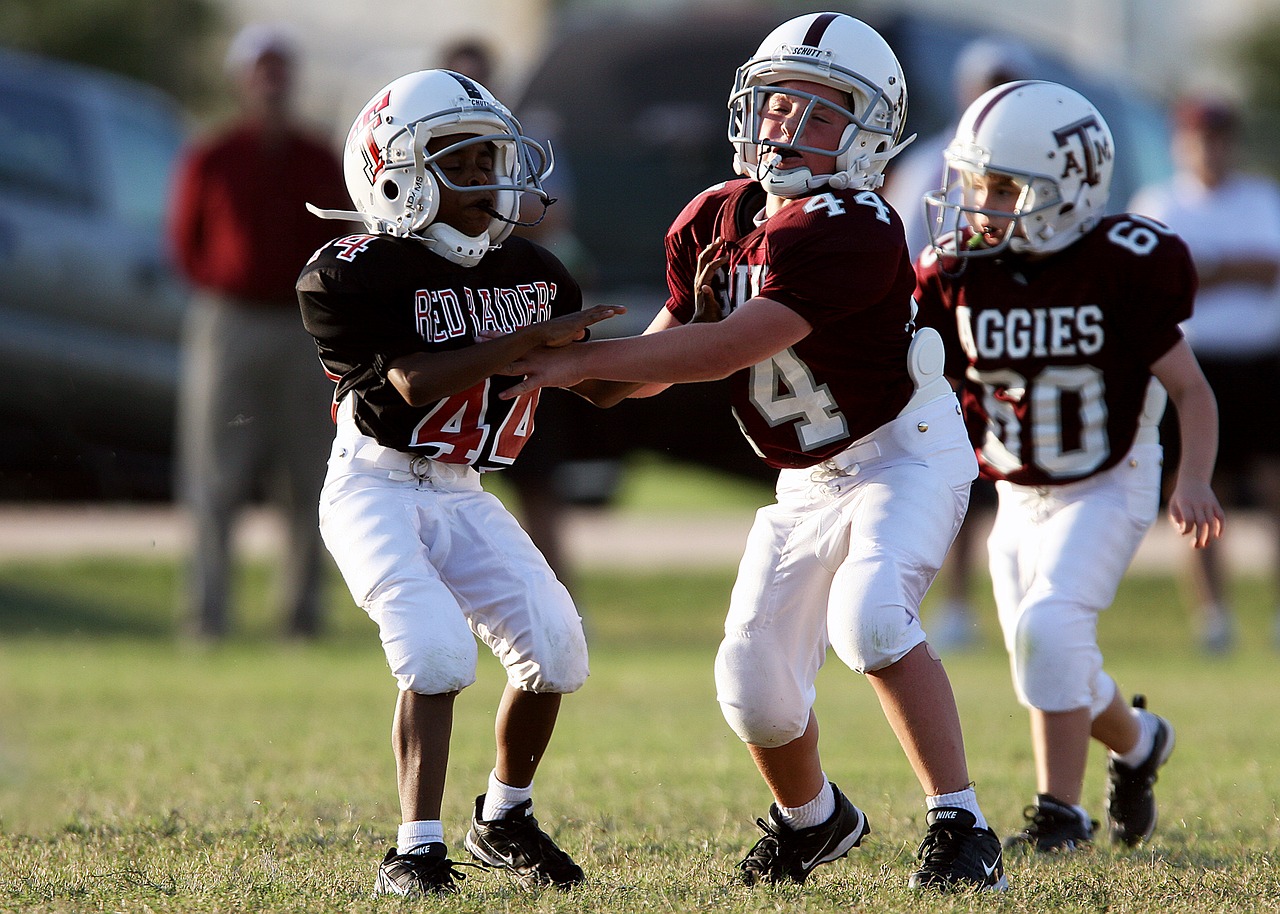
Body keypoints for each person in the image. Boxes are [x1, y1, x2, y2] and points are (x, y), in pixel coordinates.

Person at [500, 12, 1006, 893]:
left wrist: (576, 362)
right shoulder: (716, 218)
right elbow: (660, 362)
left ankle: (961, 825)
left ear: (869, 132)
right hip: (806, 476)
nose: (787, 128)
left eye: (820, 114)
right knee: (751, 685)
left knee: (873, 620)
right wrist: (538, 363)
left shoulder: (854, 223)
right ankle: (814, 822)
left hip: (903, 453)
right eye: (778, 105)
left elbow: (730, 348)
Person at [296, 69, 622, 896]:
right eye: (462, 163)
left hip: (460, 489)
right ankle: (413, 850)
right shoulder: (353, 271)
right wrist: (528, 340)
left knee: (555, 650)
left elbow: (597, 384)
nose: (488, 180)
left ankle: (505, 818)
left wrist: (694, 340)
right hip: (375, 487)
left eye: (492, 159)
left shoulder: (532, 271)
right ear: (393, 172)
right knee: (434, 651)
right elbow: (411, 383)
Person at [914, 80, 1224, 852]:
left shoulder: (1122, 262)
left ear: (1070, 190)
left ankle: (1062, 814)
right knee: (1044, 658)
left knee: (1051, 632)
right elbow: (919, 373)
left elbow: (1190, 387)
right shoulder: (964, 272)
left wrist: (1192, 479)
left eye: (1002, 186)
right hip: (1018, 491)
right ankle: (1140, 740)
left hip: (1109, 480)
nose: (977, 202)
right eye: (974, 181)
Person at [168, 23, 347, 640]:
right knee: (215, 472)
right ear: (243, 80)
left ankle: (302, 617)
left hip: (303, 328)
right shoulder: (213, 156)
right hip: (231, 321)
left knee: (310, 473)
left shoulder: (317, 158)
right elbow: (184, 242)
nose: (271, 80)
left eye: (280, 68)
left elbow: (341, 244)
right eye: (260, 69)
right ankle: (206, 615)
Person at [881, 35, 1035, 650]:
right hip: (955, 347)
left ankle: (1033, 603)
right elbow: (901, 262)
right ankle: (953, 605)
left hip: (1030, 343)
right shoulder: (930, 167)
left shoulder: (1040, 159)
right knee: (953, 483)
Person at [1129, 94, 1280, 654]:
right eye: (1199, 137)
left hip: (1260, 362)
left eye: (1219, 137)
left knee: (1272, 486)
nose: (1210, 149)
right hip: (1192, 364)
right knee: (1195, 486)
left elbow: (1267, 271)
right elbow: (1160, 285)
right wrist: (1226, 268)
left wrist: (1205, 268)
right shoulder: (1162, 202)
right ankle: (1212, 616)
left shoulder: (1262, 199)